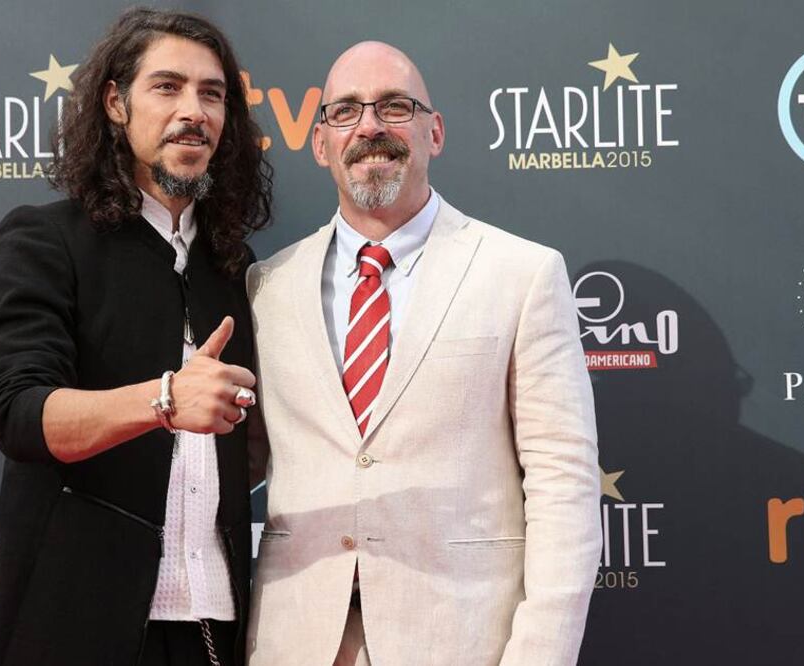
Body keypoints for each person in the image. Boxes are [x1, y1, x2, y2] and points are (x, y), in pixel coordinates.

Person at [246, 41, 601, 666]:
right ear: (321, 141)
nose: (372, 126)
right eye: (346, 111)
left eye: (395, 106)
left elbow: (563, 485)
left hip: (463, 641)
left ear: (434, 132)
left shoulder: (523, 274)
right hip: (297, 640)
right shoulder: (267, 286)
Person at [0, 8, 272, 666]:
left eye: (211, 93)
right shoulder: (46, 240)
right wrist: (164, 399)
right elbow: (19, 413)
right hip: (73, 625)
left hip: (216, 625)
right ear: (115, 102)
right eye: (166, 87)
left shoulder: (235, 267)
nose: (192, 111)